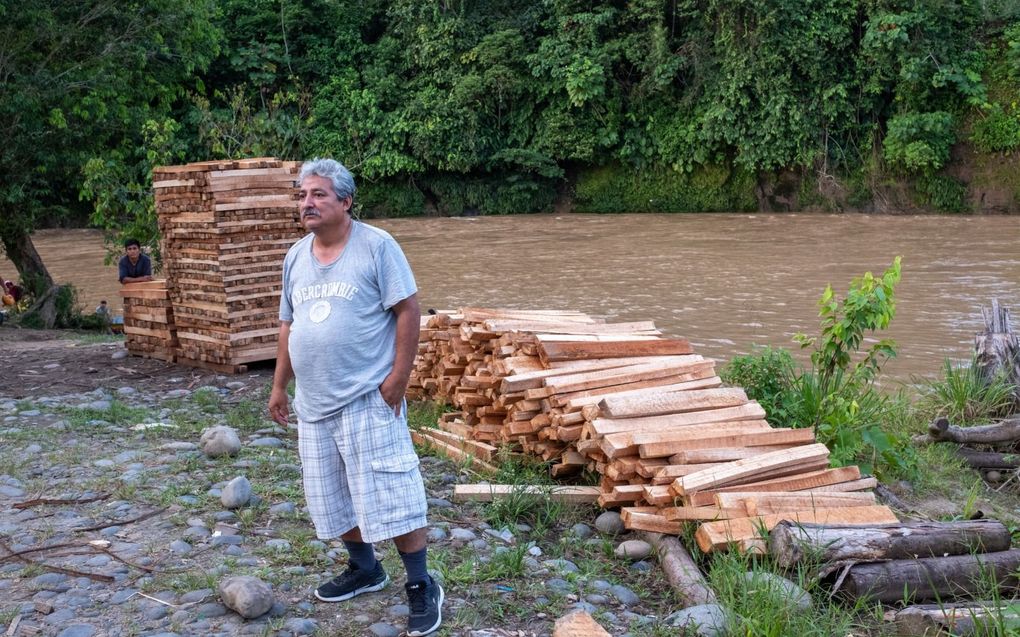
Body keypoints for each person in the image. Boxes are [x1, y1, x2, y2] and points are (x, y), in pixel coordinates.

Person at [268, 158, 442, 636]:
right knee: (332, 496)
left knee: (394, 494)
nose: (308, 202)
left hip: (368, 395)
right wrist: (280, 384)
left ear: (345, 200)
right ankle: (366, 568)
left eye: (319, 194)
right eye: (303, 195)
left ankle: (420, 583)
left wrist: (398, 380)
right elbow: (289, 325)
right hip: (314, 401)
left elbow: (408, 310)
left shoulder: (376, 246)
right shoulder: (296, 256)